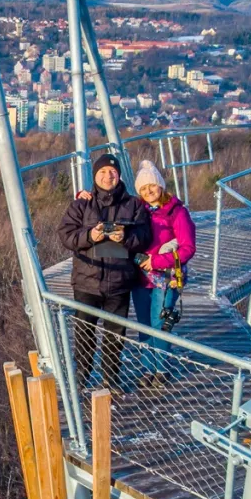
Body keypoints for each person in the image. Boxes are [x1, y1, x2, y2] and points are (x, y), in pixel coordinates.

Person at [58, 153, 152, 389]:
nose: (108, 176)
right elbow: (66, 235)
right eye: (102, 172)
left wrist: (126, 237)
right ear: (95, 175)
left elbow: (145, 236)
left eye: (112, 172)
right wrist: (90, 236)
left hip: (119, 281)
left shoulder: (133, 205)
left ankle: (111, 378)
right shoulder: (82, 204)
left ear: (119, 175)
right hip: (86, 281)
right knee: (85, 333)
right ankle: (82, 376)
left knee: (115, 335)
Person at [129, 159, 196, 383]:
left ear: (160, 185)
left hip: (166, 278)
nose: (148, 191)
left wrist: (157, 261)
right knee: (144, 325)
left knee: (160, 323)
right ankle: (148, 369)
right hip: (141, 278)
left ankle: (162, 370)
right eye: (143, 189)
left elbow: (187, 248)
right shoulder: (140, 211)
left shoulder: (177, 212)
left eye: (152, 186)